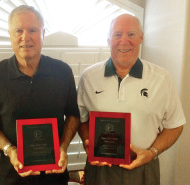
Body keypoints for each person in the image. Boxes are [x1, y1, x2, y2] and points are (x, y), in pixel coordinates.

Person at [0, 5, 80, 185]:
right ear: (10, 34)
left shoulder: (63, 72)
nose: (26, 37)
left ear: (43, 33)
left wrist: (63, 147)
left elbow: (73, 114)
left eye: (32, 30)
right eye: (19, 31)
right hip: (12, 177)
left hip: (55, 176)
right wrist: (10, 149)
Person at [77, 14, 186, 185]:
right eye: (117, 35)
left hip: (143, 170)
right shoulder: (88, 77)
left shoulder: (162, 78)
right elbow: (81, 119)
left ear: (141, 37)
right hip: (100, 170)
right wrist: (86, 142)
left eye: (131, 34)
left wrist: (152, 152)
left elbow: (176, 124)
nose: (124, 41)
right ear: (108, 39)